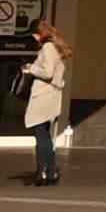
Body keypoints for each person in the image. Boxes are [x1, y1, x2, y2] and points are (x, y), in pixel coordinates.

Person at [22, 21, 74, 188]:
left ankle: (43, 171)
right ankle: (50, 172)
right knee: (45, 135)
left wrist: (31, 69)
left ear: (39, 34)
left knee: (40, 135)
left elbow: (48, 72)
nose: (34, 38)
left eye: (34, 35)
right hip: (50, 96)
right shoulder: (53, 48)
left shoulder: (47, 48)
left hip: (43, 96)